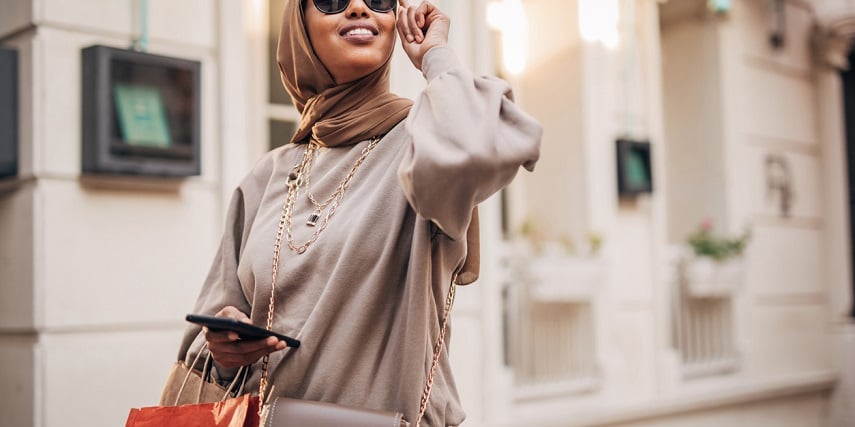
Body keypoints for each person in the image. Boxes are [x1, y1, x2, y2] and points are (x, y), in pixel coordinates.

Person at [173, 0, 541, 425]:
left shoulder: (422, 146)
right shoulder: (268, 175)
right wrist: (223, 349)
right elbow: (204, 346)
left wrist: (435, 54)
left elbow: (485, 144)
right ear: (300, 28)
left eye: (380, 0)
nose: (358, 8)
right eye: (332, 0)